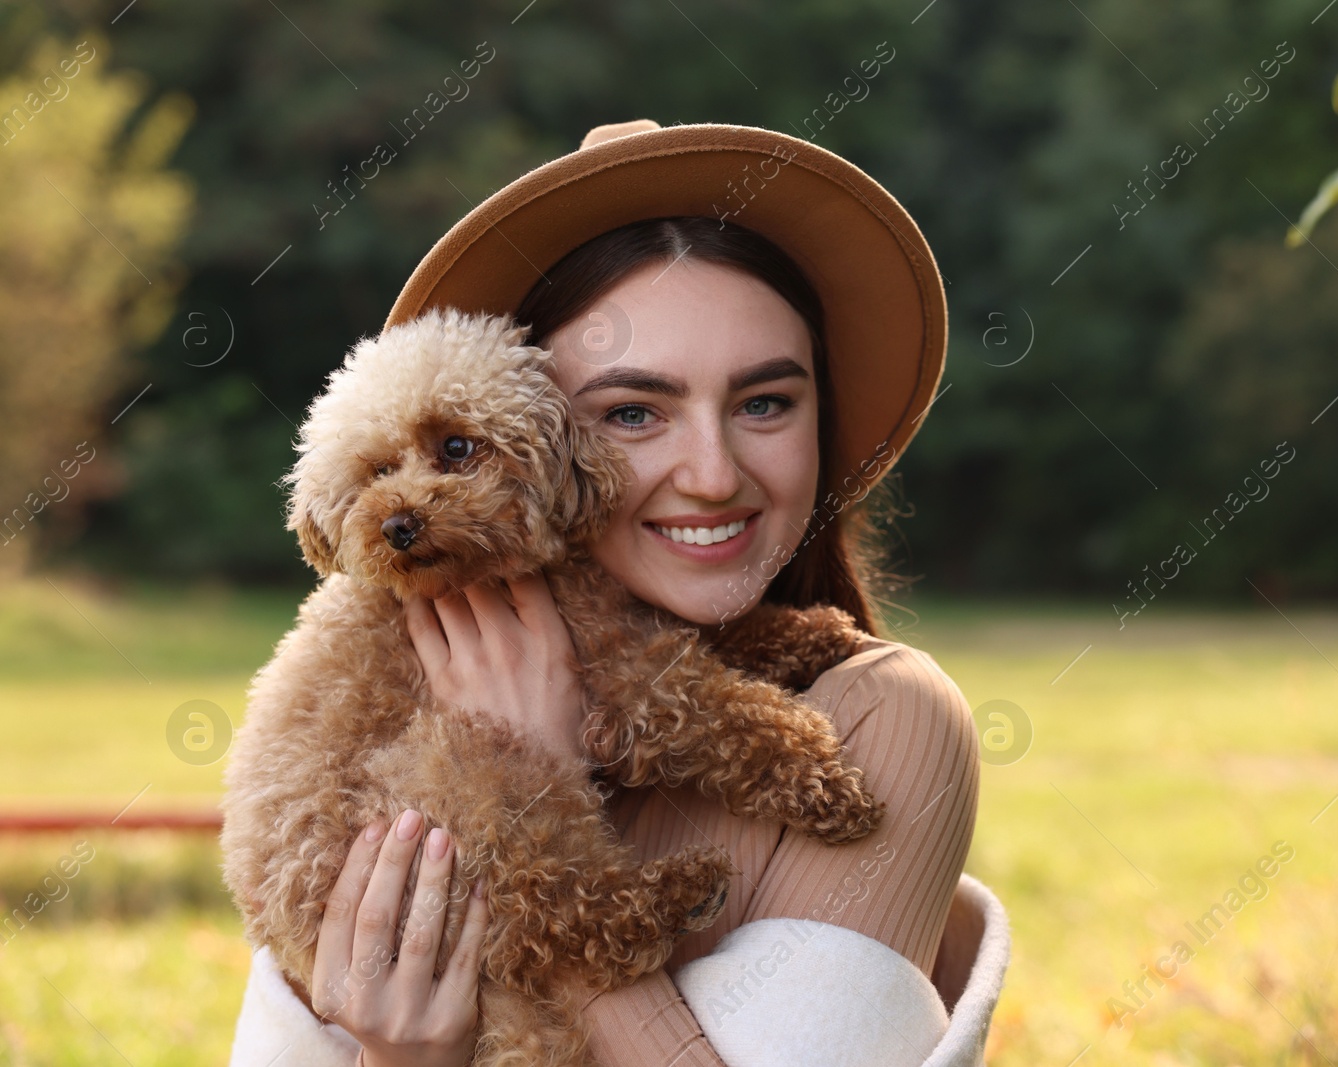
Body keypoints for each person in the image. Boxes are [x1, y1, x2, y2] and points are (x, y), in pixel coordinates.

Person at [228, 120, 1009, 1067]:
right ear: (553, 438)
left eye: (765, 401)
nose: (713, 474)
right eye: (634, 413)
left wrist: (545, 773)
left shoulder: (885, 716)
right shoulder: (390, 709)